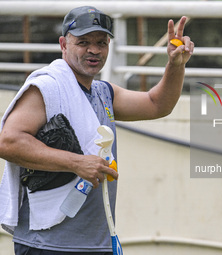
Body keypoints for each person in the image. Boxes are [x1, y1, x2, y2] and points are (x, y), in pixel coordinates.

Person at [0, 6, 194, 255]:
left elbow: (158, 105)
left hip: (97, 243)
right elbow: (8, 142)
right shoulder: (47, 87)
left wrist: (175, 65)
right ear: (63, 44)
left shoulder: (104, 92)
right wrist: (76, 162)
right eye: (83, 42)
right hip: (48, 245)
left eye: (101, 42)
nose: (94, 50)